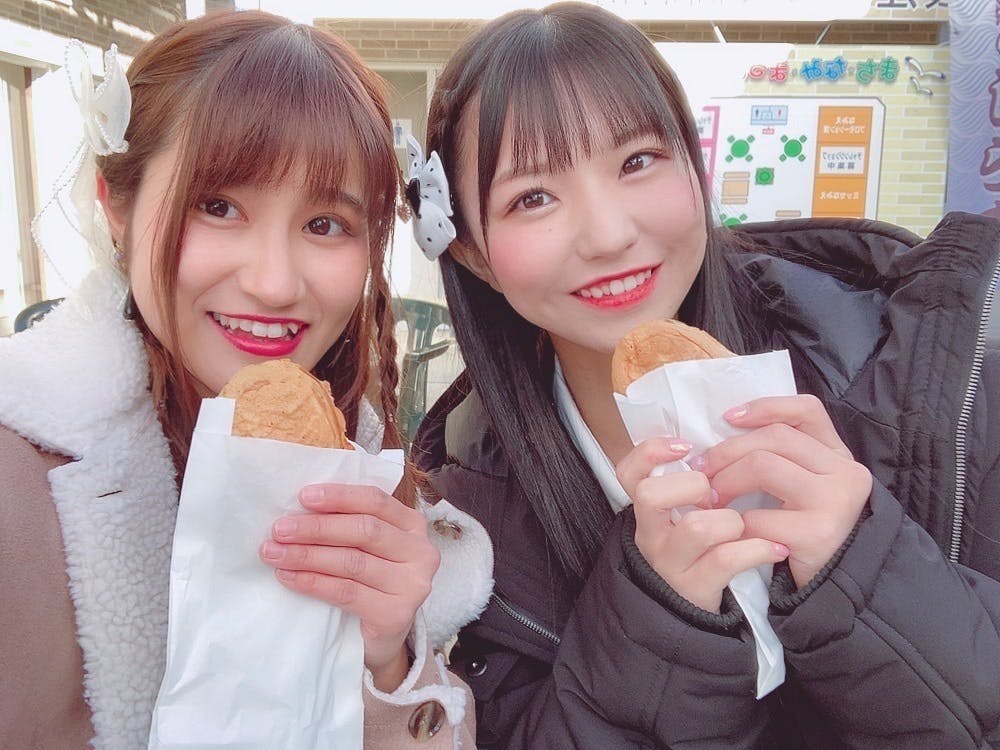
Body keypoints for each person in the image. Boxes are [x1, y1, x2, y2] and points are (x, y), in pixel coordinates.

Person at [409, 3, 1000, 747]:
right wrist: (660, 626)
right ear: (471, 252)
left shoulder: (930, 383)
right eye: (533, 198)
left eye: (636, 162)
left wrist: (865, 570)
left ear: (694, 163)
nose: (609, 235)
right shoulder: (468, 524)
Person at [0, 11, 489, 749]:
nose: (273, 283)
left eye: (325, 224)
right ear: (116, 206)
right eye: (218, 206)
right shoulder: (21, 475)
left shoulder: (362, 469)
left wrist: (386, 664)